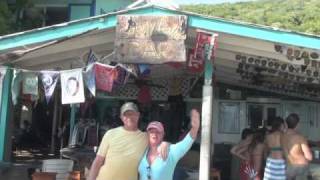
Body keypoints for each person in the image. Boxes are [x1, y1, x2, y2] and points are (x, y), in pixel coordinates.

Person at [88, 102, 168, 180]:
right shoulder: (110, 133)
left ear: (138, 115)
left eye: (132, 114)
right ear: (121, 117)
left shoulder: (145, 137)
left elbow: (158, 140)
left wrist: (165, 143)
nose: (129, 117)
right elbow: (98, 161)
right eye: (126, 114)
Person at [138, 109, 200, 180]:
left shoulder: (170, 151)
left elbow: (185, 143)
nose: (154, 134)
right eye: (151, 132)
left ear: (163, 134)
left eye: (158, 132)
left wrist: (195, 128)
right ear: (147, 134)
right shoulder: (141, 151)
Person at [281, 113, 313, 180]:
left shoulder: (282, 136)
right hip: (301, 167)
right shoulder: (300, 137)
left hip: (288, 167)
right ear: (297, 124)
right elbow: (309, 157)